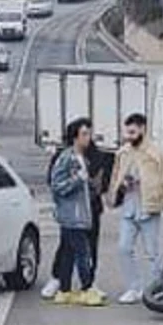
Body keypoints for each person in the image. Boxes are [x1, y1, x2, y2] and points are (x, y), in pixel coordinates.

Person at [106, 112, 163, 304]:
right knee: (124, 248)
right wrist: (114, 192)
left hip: (150, 205)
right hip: (129, 206)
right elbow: (115, 176)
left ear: (142, 129)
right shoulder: (123, 152)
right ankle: (133, 287)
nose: (129, 136)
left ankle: (154, 289)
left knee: (152, 252)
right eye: (127, 132)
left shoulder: (156, 152)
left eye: (133, 132)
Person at [42, 117, 105, 306]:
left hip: (81, 213)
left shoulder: (82, 158)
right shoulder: (66, 158)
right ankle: (87, 288)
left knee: (69, 252)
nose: (88, 138)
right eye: (84, 134)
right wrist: (78, 179)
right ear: (75, 137)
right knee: (82, 253)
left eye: (89, 134)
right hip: (72, 215)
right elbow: (57, 185)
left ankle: (65, 289)